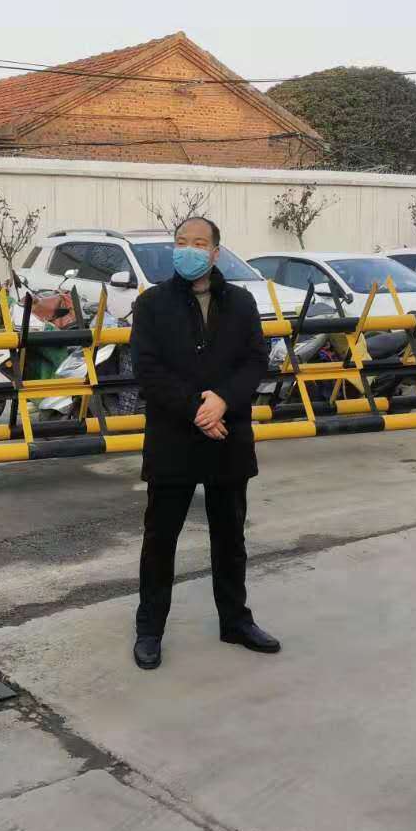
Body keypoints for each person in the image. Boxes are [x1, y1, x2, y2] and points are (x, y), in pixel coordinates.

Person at [130, 216, 277, 670]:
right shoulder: (152, 303)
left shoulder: (241, 302)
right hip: (174, 437)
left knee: (230, 536)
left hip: (227, 436)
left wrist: (223, 400)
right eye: (181, 242)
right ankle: (150, 630)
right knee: (160, 538)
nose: (188, 250)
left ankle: (235, 621)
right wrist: (198, 408)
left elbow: (255, 360)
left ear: (215, 253)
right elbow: (147, 369)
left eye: (198, 243)